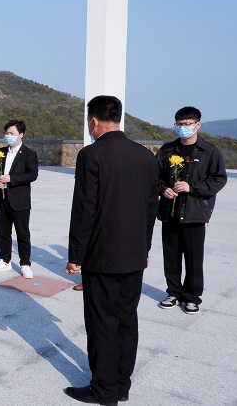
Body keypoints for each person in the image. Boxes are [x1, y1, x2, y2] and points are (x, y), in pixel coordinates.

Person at [65, 95, 158, 405]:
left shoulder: (91, 155)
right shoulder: (146, 156)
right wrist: (144, 247)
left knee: (102, 322)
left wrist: (76, 256)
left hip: (102, 257)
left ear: (93, 121)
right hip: (134, 255)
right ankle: (121, 384)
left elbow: (85, 209)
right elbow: (151, 208)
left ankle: (104, 390)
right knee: (126, 320)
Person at [156, 106, 227, 315]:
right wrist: (163, 189)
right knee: (171, 256)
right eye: (179, 124)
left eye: (187, 124)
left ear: (198, 125)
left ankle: (192, 297)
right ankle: (173, 292)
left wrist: (192, 187)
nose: (183, 127)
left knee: (194, 258)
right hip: (170, 212)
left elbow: (218, 179)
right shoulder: (167, 150)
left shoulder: (209, 151)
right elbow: (154, 176)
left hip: (195, 214)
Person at [0, 120, 39, 278]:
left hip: (19, 201)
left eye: (12, 133)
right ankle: (5, 260)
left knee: (22, 234)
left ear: (21, 135)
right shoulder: (1, 152)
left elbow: (32, 175)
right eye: (7, 133)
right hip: (2, 199)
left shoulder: (29, 154)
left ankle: (25, 263)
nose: (8, 136)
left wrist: (11, 178)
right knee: (3, 232)